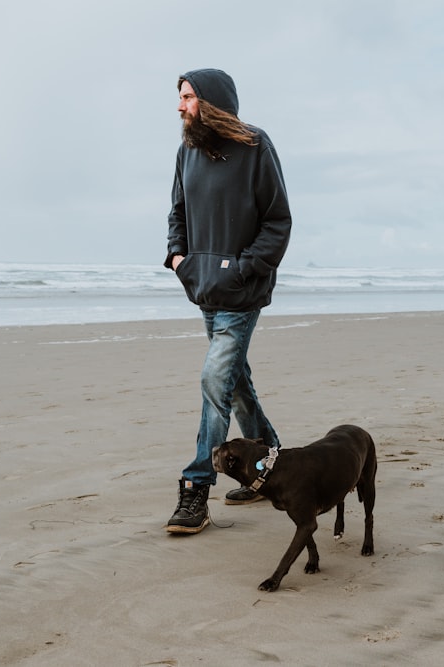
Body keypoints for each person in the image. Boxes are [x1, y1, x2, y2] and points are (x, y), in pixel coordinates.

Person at [163, 68, 292, 534]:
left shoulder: (256, 146)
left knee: (215, 379)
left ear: (211, 100)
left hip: (242, 292)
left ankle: (197, 487)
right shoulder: (187, 152)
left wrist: (243, 270)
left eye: (187, 97)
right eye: (180, 98)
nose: (180, 106)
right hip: (204, 290)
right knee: (234, 383)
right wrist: (180, 260)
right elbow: (177, 211)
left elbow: (278, 220)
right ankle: (271, 461)